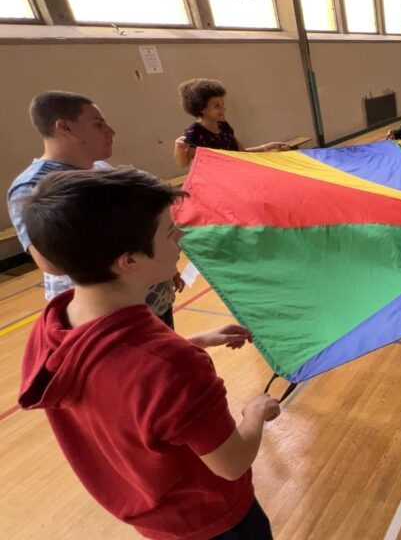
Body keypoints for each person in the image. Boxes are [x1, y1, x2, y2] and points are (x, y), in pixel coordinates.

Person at [16, 167, 280, 540]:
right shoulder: (170, 366)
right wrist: (255, 413)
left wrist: (195, 341)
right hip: (215, 521)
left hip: (156, 522)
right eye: (170, 232)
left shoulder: (54, 322)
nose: (180, 237)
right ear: (130, 261)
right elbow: (232, 464)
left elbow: (118, 383)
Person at [9, 91, 179, 328]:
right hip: (107, 316)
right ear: (65, 128)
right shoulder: (34, 186)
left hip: (146, 301)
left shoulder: (101, 169)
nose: (110, 131)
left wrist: (161, 263)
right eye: (98, 124)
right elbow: (53, 263)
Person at [173, 78, 291, 167]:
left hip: (235, 173)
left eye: (223, 104)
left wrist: (269, 147)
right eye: (217, 106)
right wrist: (179, 147)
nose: (223, 109)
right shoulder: (194, 132)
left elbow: (241, 153)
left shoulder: (224, 126)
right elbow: (183, 163)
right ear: (201, 108)